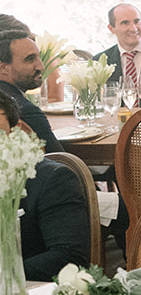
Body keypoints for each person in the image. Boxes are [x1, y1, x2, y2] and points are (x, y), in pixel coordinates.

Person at [1, 93, 91, 280]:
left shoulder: (52, 179)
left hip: (29, 290)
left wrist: (7, 275)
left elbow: (69, 257)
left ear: (16, 131)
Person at [0, 19, 60, 153]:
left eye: (39, 57)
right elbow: (59, 158)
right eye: (30, 59)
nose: (41, 67)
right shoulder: (25, 110)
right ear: (3, 68)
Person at [97, 3, 141, 96]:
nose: (134, 29)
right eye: (125, 23)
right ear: (111, 29)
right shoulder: (100, 62)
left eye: (137, 22)